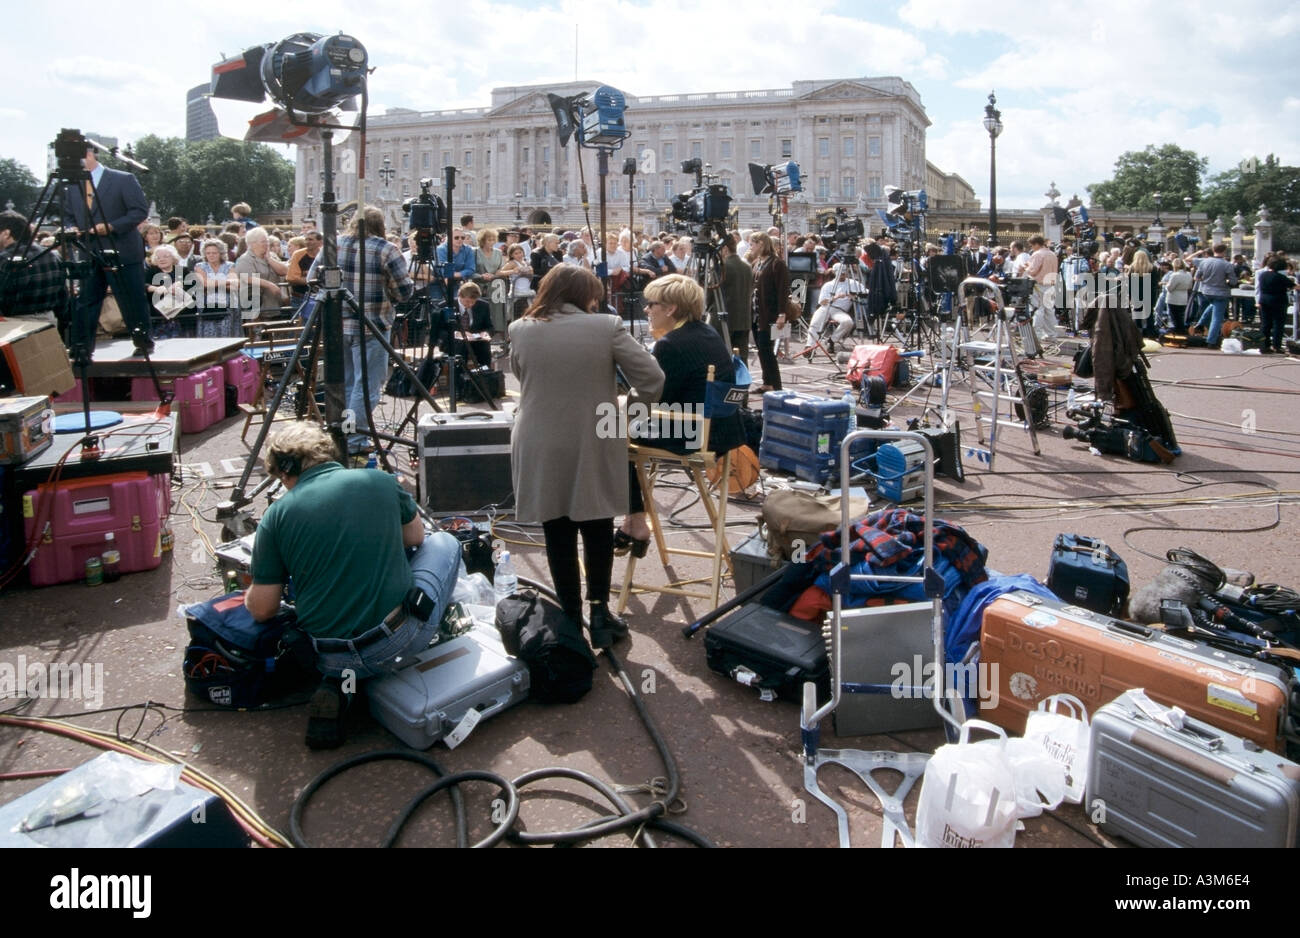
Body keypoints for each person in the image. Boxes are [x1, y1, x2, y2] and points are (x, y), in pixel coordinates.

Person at [244, 421, 461, 748]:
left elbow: (262, 609)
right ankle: (436, 627)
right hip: (394, 642)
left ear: (285, 470)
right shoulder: (379, 481)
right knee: (445, 542)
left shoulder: (276, 516)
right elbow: (415, 538)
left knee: (346, 649)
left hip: (327, 655)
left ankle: (341, 686)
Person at [508, 266, 664, 649]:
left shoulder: (520, 328)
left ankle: (569, 617)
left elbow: (521, 376)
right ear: (585, 295)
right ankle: (599, 613)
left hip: (538, 438)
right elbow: (652, 379)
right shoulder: (606, 325)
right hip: (596, 434)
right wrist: (626, 413)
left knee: (556, 528)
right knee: (596, 525)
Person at [615, 274, 745, 557]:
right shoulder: (708, 332)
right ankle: (631, 520)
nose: (647, 310)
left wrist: (622, 402)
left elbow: (653, 399)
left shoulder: (671, 344)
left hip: (693, 434)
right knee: (617, 426)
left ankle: (634, 520)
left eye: (651, 304)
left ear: (671, 308)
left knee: (610, 434)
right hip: (724, 430)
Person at [309, 205, 415, 455]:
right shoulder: (387, 249)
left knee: (346, 384)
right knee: (365, 387)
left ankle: (343, 436)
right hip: (372, 326)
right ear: (380, 225)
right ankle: (354, 441)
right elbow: (405, 291)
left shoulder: (333, 245)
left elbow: (312, 281)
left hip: (337, 327)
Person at [61, 140, 151, 361]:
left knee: (131, 299)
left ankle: (143, 341)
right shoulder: (71, 185)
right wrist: (70, 227)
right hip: (89, 251)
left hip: (122, 250)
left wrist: (111, 226)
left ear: (90, 155)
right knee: (87, 300)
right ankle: (82, 346)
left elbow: (139, 210)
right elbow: (66, 214)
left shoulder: (123, 179)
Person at [0, 209, 67, 324]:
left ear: (6, 234)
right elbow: (63, 297)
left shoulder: (4, 259)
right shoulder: (51, 255)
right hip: (48, 323)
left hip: (13, 327)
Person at [748, 231, 789, 392]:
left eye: (753, 244)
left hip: (770, 314)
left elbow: (782, 290)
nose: (750, 247)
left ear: (761, 244)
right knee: (761, 349)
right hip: (756, 313)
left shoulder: (777, 264)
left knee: (767, 350)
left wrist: (782, 314)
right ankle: (767, 383)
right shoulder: (757, 262)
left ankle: (777, 387)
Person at [803, 262, 861, 355]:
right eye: (840, 273)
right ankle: (809, 346)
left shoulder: (852, 283)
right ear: (835, 272)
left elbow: (865, 293)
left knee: (848, 322)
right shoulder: (828, 285)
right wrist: (836, 297)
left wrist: (853, 295)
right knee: (815, 323)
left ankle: (832, 340)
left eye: (844, 272)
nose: (843, 274)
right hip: (826, 307)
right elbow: (822, 302)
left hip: (840, 310)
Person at [233, 227, 286, 322]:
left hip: (275, 304)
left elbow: (284, 271)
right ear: (252, 244)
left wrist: (270, 259)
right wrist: (269, 285)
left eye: (267, 241)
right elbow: (247, 278)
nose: (267, 244)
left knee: (278, 332)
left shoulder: (272, 255)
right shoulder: (245, 259)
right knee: (258, 333)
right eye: (263, 242)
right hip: (256, 308)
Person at [1191, 243, 1235, 349]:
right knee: (1217, 318)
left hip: (1206, 291)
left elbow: (1197, 277)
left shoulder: (1204, 262)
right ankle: (1211, 340)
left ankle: (1200, 324)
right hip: (1220, 291)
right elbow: (1233, 281)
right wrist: (1227, 281)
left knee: (1213, 306)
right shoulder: (1227, 264)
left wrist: (1206, 281)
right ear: (1224, 251)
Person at [193, 238, 240, 337]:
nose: (211, 255)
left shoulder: (230, 265)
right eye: (208, 253)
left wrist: (212, 285)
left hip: (228, 305)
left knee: (228, 334)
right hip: (207, 306)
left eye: (214, 253)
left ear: (221, 253)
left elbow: (234, 286)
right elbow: (204, 284)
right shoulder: (200, 266)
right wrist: (227, 282)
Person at [719, 234, 753, 361]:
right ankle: (742, 380)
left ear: (725, 249)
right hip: (743, 318)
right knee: (741, 357)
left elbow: (711, 295)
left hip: (725, 317)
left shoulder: (723, 266)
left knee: (723, 357)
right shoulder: (746, 266)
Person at [1023, 235, 1060, 343]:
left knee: (1038, 309)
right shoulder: (1052, 254)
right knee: (1049, 310)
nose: (1031, 248)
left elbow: (1033, 271)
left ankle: (1037, 334)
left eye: (1032, 245)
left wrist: (1026, 267)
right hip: (1051, 284)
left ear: (1036, 244)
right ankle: (1051, 334)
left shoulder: (1038, 254)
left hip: (1039, 284)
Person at [1258, 257, 1295, 354]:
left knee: (1265, 324)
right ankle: (1276, 346)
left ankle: (1264, 345)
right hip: (1278, 301)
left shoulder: (1262, 275)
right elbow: (1293, 286)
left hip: (1264, 300)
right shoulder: (1280, 277)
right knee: (1278, 324)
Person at [451, 281, 492, 368]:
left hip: (475, 341)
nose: (470, 305)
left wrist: (485, 333)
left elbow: (489, 326)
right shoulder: (447, 306)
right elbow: (440, 330)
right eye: (467, 301)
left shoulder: (483, 305)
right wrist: (456, 333)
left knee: (484, 346)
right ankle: (460, 377)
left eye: (473, 302)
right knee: (461, 347)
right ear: (460, 296)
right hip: (454, 342)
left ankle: (485, 374)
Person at [432, 228, 476, 308]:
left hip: (457, 282)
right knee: (436, 306)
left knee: (458, 305)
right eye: (456, 237)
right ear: (449, 238)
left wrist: (458, 274)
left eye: (462, 237)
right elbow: (443, 270)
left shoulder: (468, 250)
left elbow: (471, 269)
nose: (460, 240)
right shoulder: (440, 249)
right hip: (439, 282)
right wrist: (457, 273)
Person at [286, 230, 322, 315]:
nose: (308, 242)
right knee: (300, 326)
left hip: (320, 298)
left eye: (311, 239)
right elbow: (291, 278)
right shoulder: (298, 254)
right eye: (306, 239)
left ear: (320, 242)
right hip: (300, 298)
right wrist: (314, 280)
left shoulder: (324, 254)